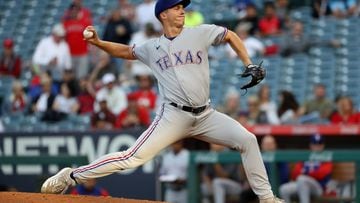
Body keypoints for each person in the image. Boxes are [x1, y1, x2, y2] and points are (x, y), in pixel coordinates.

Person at [41, 1, 284, 202]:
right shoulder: (152, 47)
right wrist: (98, 43)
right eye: (177, 7)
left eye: (183, 7)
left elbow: (230, 35)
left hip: (206, 114)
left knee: (248, 140)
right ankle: (71, 176)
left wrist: (249, 63)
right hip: (174, 116)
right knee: (131, 158)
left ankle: (268, 199)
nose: (182, 10)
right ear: (163, 14)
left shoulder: (199, 32)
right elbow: (126, 51)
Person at [279, 134, 333, 203]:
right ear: (310, 145)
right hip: (302, 184)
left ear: (323, 145)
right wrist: (312, 172)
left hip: (319, 187)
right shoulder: (306, 156)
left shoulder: (326, 157)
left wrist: (306, 172)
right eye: (315, 144)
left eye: (319, 144)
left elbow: (323, 173)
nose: (317, 147)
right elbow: (296, 173)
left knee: (302, 179)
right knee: (283, 189)